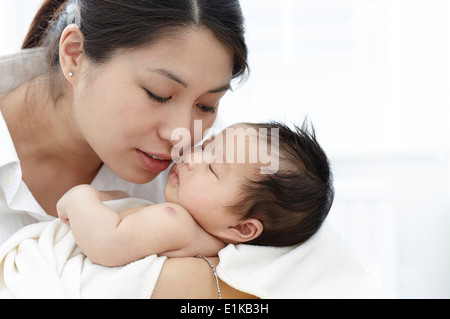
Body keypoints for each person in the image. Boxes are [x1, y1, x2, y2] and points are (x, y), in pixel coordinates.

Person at [0, 0, 256, 298]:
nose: (182, 135)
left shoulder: (207, 157)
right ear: (74, 55)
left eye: (206, 105)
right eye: (158, 95)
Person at [56, 122, 334, 267]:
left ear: (242, 227)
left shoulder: (176, 221)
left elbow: (107, 243)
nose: (191, 157)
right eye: (206, 145)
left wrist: (81, 196)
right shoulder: (201, 240)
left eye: (212, 168)